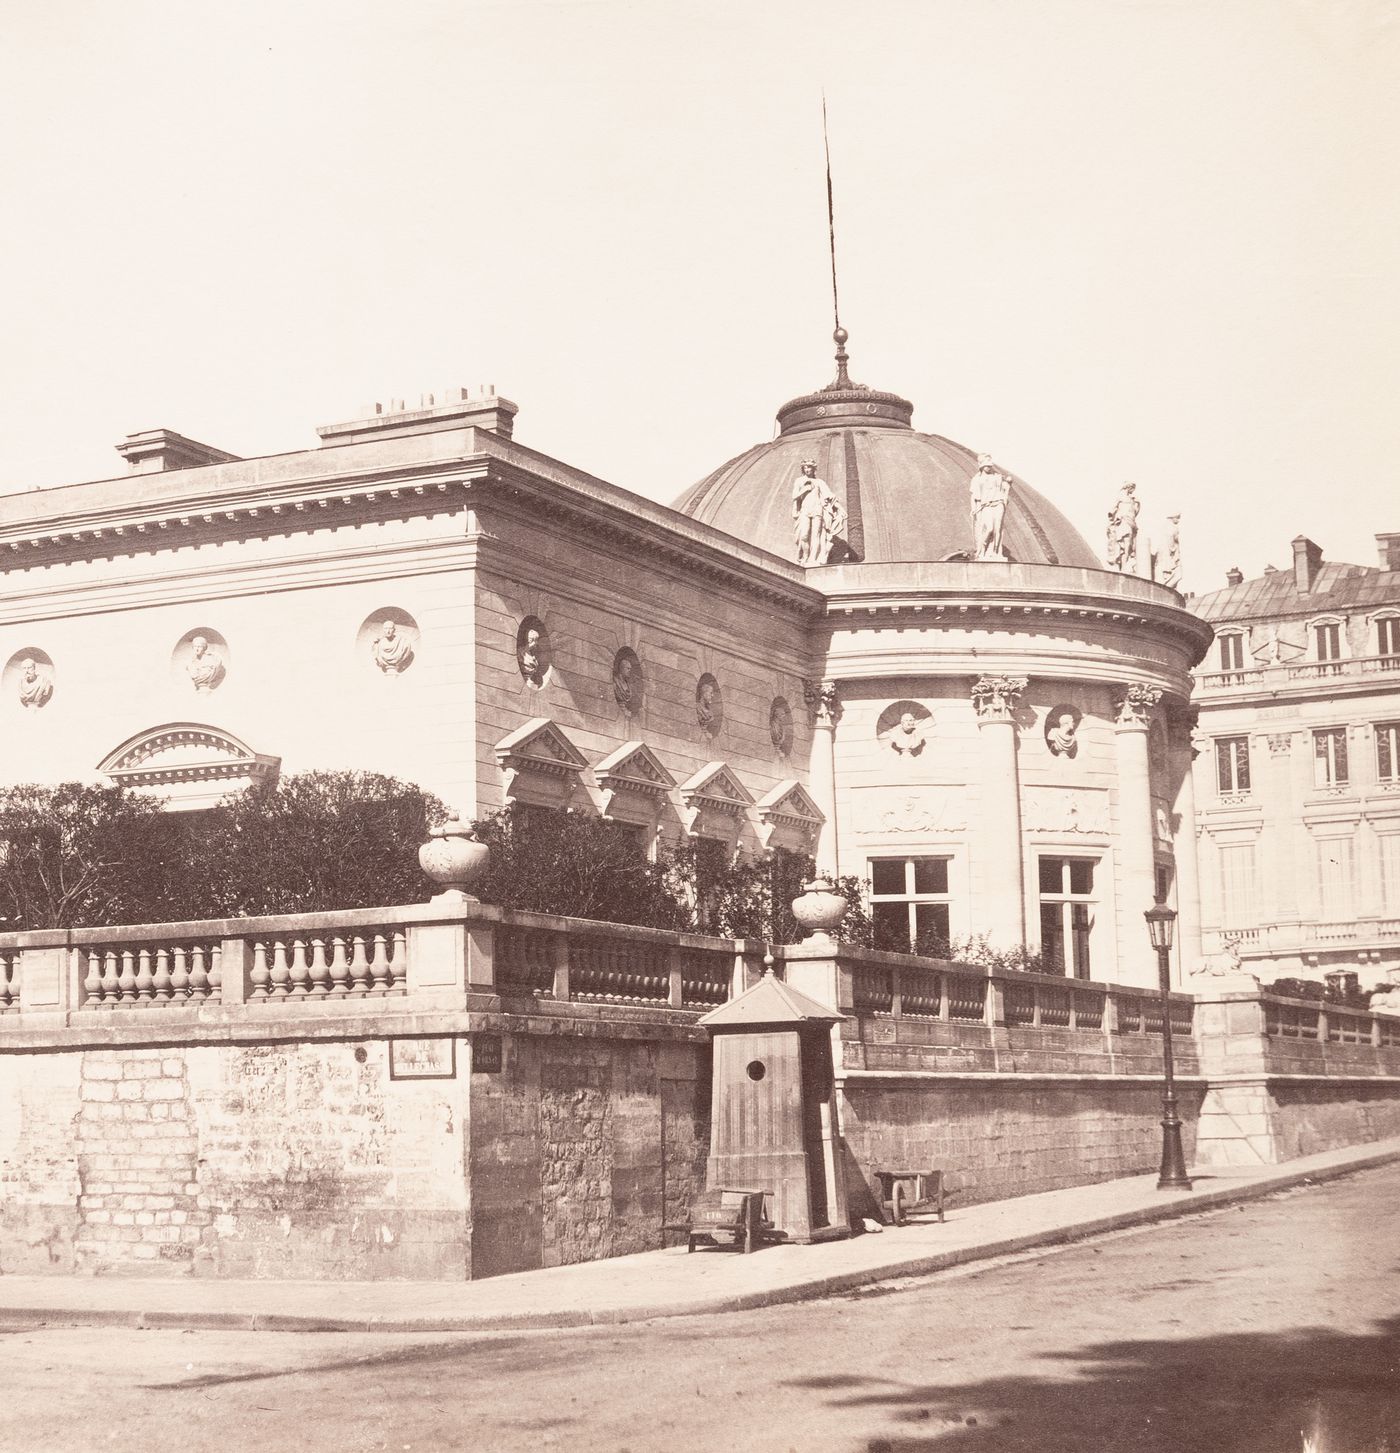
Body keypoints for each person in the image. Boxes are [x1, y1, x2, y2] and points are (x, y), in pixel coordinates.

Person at [792, 460, 847, 565]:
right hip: (805, 510)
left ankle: (813, 559)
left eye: (809, 467)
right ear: (803, 469)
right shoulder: (799, 481)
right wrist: (805, 489)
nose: (807, 469)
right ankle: (805, 557)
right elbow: (794, 496)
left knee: (816, 536)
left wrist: (840, 508)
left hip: (817, 510)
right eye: (805, 468)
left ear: (814, 469)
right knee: (804, 535)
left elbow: (830, 496)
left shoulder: (820, 482)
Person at [968, 454, 1011, 561]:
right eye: (986, 466)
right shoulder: (977, 479)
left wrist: (1008, 484)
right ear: (981, 466)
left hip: (998, 504)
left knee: (998, 529)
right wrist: (973, 508)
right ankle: (981, 550)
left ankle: (995, 552)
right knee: (989, 528)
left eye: (990, 466)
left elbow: (1006, 488)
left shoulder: (997, 477)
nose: (989, 467)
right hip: (986, 506)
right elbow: (974, 496)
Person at [1106, 483, 1140, 572]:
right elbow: (1112, 510)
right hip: (1123, 521)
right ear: (1129, 488)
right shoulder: (1120, 497)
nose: (1133, 492)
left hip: (1131, 523)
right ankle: (1122, 565)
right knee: (1124, 544)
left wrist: (1138, 504)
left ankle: (1125, 564)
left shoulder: (1132, 500)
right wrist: (1113, 518)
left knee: (1128, 545)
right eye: (1133, 489)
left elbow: (1135, 512)